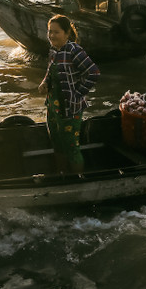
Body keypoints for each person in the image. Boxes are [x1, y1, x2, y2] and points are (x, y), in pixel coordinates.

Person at [38, 14, 100, 173]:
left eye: (56, 32)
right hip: (53, 107)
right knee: (57, 146)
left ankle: (77, 181)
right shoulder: (53, 51)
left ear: (67, 33)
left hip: (70, 109)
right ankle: (62, 177)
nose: (52, 36)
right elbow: (50, 73)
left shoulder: (74, 50)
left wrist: (77, 94)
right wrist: (45, 83)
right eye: (50, 32)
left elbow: (93, 73)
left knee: (72, 148)